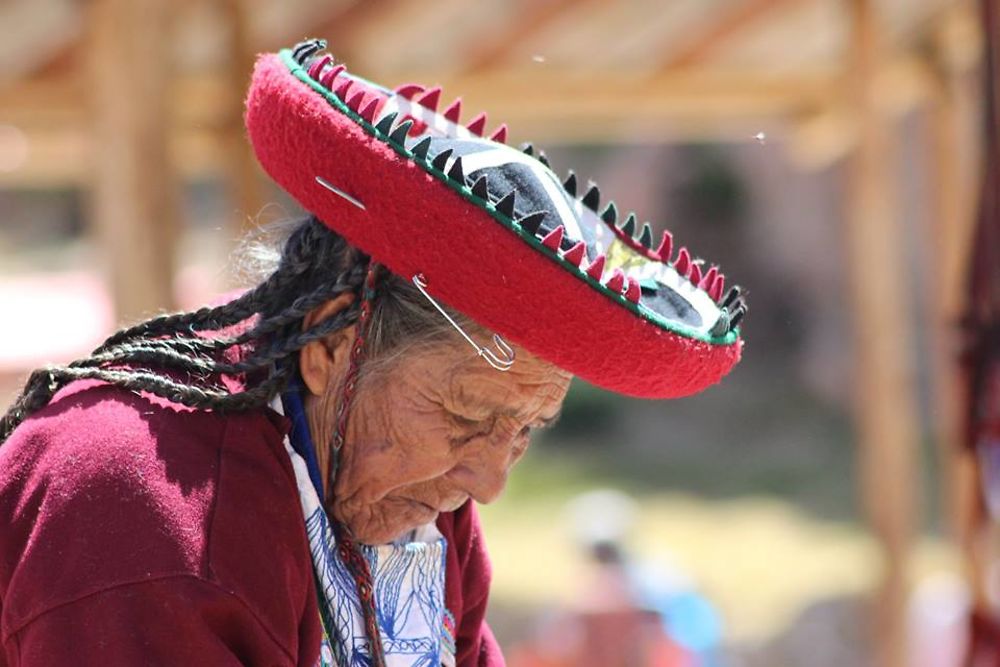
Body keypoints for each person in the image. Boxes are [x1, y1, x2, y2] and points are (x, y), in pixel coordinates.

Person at [0, 39, 746, 666]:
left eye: (524, 430)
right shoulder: (144, 514)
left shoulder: (404, 492)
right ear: (330, 341)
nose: (486, 481)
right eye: (464, 416)